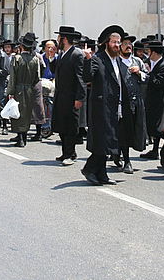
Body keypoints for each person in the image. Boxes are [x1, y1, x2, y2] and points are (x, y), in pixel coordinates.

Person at [81, 25, 127, 185]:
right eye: (114, 42)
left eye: (119, 42)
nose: (117, 45)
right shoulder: (97, 58)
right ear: (107, 43)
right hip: (101, 107)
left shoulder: (118, 60)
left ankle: (102, 174)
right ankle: (89, 168)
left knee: (108, 141)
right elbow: (87, 77)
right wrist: (87, 59)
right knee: (102, 141)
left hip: (115, 106)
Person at [51, 26, 86, 165]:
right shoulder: (62, 53)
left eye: (59, 37)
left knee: (71, 126)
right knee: (62, 125)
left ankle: (70, 154)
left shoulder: (76, 54)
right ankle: (66, 152)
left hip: (71, 96)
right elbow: (55, 71)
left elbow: (80, 78)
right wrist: (52, 58)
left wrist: (79, 98)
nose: (57, 40)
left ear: (64, 39)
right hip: (61, 95)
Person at [115, 34, 148, 174]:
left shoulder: (137, 61)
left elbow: (147, 78)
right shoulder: (116, 62)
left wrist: (139, 73)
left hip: (137, 101)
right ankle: (126, 160)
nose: (128, 46)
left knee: (135, 130)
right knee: (123, 131)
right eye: (125, 43)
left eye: (130, 44)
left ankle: (120, 153)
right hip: (122, 103)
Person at [5, 33, 43, 147]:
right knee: (27, 113)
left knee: (18, 113)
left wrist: (10, 92)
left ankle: (20, 138)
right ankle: (24, 138)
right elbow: (37, 77)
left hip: (18, 88)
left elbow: (13, 77)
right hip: (30, 89)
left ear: (21, 46)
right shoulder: (35, 59)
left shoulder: (16, 58)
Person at [140, 41, 164, 161]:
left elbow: (159, 83)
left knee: (155, 127)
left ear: (155, 52)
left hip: (159, 101)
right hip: (151, 100)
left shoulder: (163, 66)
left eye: (149, 51)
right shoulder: (154, 63)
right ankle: (155, 150)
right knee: (152, 125)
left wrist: (149, 73)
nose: (148, 54)